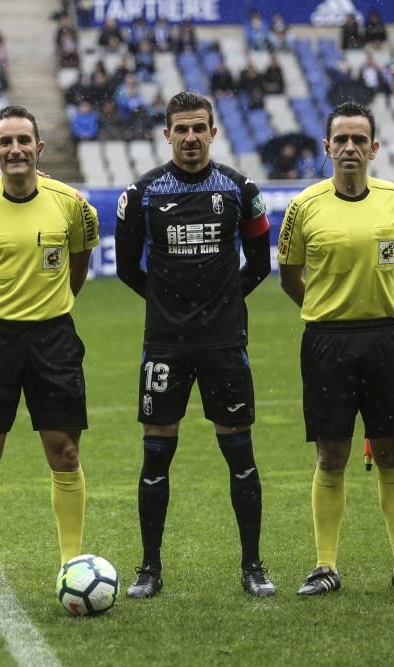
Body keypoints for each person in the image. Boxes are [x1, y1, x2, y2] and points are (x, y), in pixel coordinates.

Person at [114, 91, 275, 599]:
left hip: (224, 344)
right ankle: (149, 569)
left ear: (213, 131)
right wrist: (168, 305)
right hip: (164, 345)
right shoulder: (141, 194)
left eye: (197, 128)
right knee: (156, 456)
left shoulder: (239, 189)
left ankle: (253, 566)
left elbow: (260, 264)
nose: (189, 137)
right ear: (166, 134)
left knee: (240, 455)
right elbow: (124, 267)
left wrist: (221, 304)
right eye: (180, 129)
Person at [277, 101, 394, 596]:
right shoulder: (304, 206)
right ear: (326, 148)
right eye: (340, 139)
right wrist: (328, 311)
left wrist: (386, 310)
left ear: (373, 147)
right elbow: (289, 276)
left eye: (358, 139)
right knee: (331, 453)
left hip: (386, 337)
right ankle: (325, 566)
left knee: (391, 451)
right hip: (326, 341)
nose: (349, 147)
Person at [0, 105, 100, 600]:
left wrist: (52, 304)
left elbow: (79, 262)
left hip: (54, 338)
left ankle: (72, 564)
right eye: (5, 142)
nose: (15, 149)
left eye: (23, 141)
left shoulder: (71, 204)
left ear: (39, 147)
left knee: (66, 452)